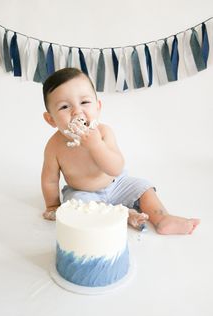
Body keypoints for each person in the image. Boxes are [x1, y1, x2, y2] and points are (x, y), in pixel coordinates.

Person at [41, 67, 200, 235]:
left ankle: (162, 219)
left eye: (85, 102)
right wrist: (52, 205)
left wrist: (96, 145)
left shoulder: (104, 133)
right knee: (76, 206)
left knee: (144, 187)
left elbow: (115, 169)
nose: (77, 111)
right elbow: (50, 180)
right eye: (65, 106)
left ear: (98, 106)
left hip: (117, 184)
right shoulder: (54, 146)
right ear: (51, 119)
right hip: (83, 192)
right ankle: (125, 215)